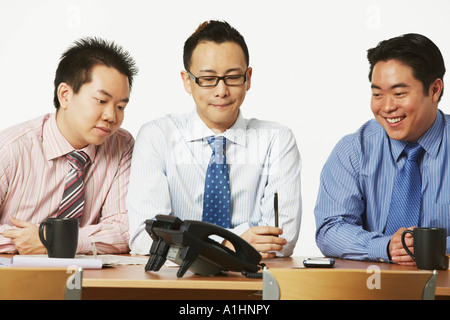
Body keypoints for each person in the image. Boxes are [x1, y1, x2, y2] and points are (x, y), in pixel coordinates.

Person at [127, 20, 302, 258]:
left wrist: (186, 239)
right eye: (208, 79)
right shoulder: (157, 136)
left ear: (248, 78)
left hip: (251, 283)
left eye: (232, 77)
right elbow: (143, 238)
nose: (221, 91)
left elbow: (282, 239)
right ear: (187, 81)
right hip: (177, 284)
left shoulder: (277, 140)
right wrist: (232, 242)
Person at [314, 33, 449, 265]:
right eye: (377, 94)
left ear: (435, 90)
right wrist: (386, 246)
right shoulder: (354, 151)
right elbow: (330, 229)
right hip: (370, 290)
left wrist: (427, 247)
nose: (386, 107)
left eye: (399, 93)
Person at [0, 37, 138, 255]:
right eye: (101, 101)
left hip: (87, 279)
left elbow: (124, 231)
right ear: (65, 95)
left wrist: (54, 241)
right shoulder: (10, 149)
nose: (111, 116)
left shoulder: (121, 146)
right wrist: (24, 242)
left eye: (120, 106)